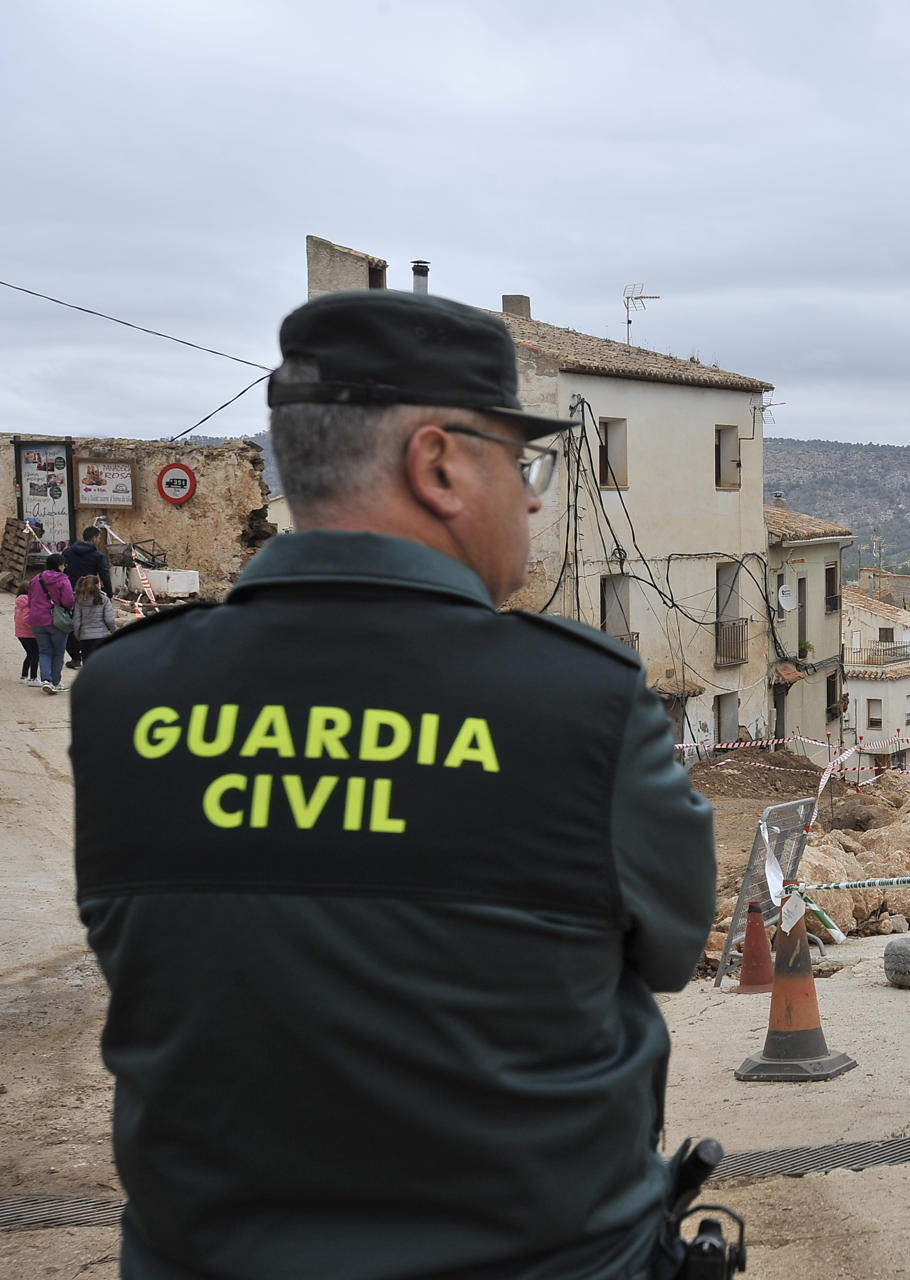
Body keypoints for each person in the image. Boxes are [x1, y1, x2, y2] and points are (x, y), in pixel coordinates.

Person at [71, 291, 717, 1279]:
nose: (534, 498)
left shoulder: (120, 696)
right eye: (523, 462)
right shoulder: (582, 706)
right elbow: (672, 948)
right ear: (440, 464)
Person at [61, 527, 112, 668]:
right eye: (99, 538)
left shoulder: (67, 552)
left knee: (72, 625)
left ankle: (76, 657)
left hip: (71, 594)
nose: (99, 541)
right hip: (92, 595)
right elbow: (105, 575)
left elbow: (62, 571)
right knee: (92, 624)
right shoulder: (98, 556)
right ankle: (91, 658)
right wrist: (109, 594)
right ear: (94, 538)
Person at [25, 552, 74, 693]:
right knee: (58, 653)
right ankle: (55, 681)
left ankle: (46, 680)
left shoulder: (36, 579)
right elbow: (68, 601)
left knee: (44, 651)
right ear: (60, 565)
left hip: (37, 620)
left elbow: (30, 599)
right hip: (56, 621)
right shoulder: (63, 580)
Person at [68, 574, 113, 665]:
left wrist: (77, 635)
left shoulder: (80, 600)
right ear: (97, 585)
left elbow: (76, 621)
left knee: (87, 664)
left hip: (85, 637)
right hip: (101, 636)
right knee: (100, 664)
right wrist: (113, 630)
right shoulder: (104, 599)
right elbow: (109, 620)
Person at [13, 589, 37, 685]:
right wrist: (35, 628)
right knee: (35, 654)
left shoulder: (19, 604)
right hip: (29, 634)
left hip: (20, 633)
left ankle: (24, 676)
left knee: (30, 654)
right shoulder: (28, 603)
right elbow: (26, 620)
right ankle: (33, 678)